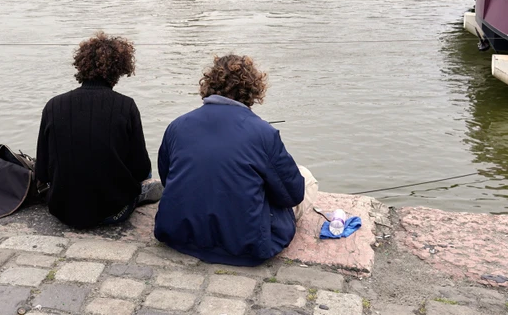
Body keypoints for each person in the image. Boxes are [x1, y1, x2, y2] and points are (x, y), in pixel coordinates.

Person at [154, 54, 317, 266]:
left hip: (178, 234)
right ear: (253, 90)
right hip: (246, 245)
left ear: (209, 84)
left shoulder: (177, 125)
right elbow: (292, 195)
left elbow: (167, 177)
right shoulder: (263, 133)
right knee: (306, 177)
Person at [34, 32, 161, 229]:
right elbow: (141, 169)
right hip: (113, 212)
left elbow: (42, 170)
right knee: (148, 176)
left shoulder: (53, 105)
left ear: (81, 65)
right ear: (119, 70)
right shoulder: (126, 106)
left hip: (62, 209)